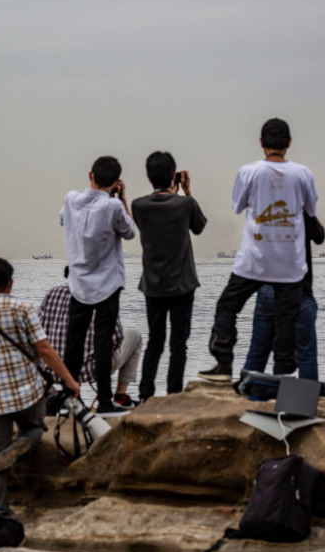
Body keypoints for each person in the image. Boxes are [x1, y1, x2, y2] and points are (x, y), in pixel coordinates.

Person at [201, 118, 318, 384]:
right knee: (287, 321)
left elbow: (238, 205)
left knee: (227, 306)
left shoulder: (248, 171)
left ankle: (223, 362)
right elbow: (310, 211)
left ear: (261, 143)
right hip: (290, 264)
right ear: (289, 143)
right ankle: (283, 378)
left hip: (253, 260)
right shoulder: (303, 174)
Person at [0, 258, 80, 508]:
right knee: (35, 429)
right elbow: (44, 349)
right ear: (11, 283)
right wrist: (70, 381)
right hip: (28, 394)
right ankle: (19, 447)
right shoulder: (24, 309)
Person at [60, 155, 136, 413]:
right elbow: (130, 231)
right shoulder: (112, 208)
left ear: (90, 175)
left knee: (74, 342)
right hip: (107, 284)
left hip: (78, 283)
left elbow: (62, 220)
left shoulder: (70, 200)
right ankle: (105, 401)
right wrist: (122, 199)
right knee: (102, 344)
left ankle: (70, 396)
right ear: (115, 182)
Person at [131, 151, 207, 400]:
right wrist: (187, 189)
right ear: (173, 175)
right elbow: (199, 226)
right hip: (183, 285)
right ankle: (174, 393)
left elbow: (159, 209)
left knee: (155, 341)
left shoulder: (138, 206)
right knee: (178, 344)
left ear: (148, 176)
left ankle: (145, 393)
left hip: (153, 285)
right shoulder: (186, 204)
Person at [39, 267, 142, 408]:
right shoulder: (101, 295)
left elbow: (38, 333)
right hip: (95, 370)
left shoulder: (52, 294)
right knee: (135, 336)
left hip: (54, 370)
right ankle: (120, 397)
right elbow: (116, 338)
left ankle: (70, 396)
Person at [244, 213, 325, 380]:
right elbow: (319, 236)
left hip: (268, 287)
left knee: (258, 351)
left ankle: (247, 396)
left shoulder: (265, 212)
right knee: (306, 354)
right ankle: (303, 403)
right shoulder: (300, 213)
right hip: (298, 290)